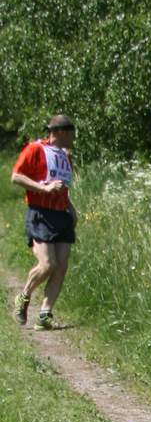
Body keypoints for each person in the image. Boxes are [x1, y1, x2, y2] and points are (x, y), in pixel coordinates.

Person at [11, 112, 76, 328]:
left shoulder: (66, 156)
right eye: (72, 133)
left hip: (62, 215)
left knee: (61, 266)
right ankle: (24, 295)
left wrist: (71, 208)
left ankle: (45, 314)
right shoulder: (35, 149)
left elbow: (62, 186)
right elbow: (16, 176)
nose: (74, 137)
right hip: (40, 213)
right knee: (47, 264)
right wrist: (44, 188)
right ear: (61, 132)